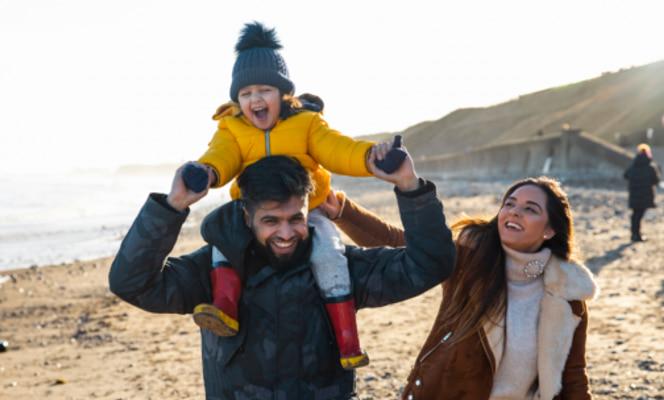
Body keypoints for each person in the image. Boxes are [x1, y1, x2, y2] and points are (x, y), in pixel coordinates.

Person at [109, 154, 455, 398]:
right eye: (271, 221)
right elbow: (132, 284)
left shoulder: (340, 268)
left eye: (296, 219)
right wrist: (172, 207)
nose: (287, 234)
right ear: (247, 216)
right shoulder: (210, 271)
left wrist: (410, 187)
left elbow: (430, 265)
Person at [182, 21, 394, 369]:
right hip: (253, 211)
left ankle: (347, 340)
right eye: (246, 93)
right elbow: (220, 155)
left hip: (305, 210)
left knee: (329, 252)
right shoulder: (231, 128)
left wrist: (370, 157)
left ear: (283, 94)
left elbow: (337, 149)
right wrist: (206, 172)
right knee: (223, 236)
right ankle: (224, 307)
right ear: (237, 98)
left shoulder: (306, 123)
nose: (255, 99)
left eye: (264, 90)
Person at [329, 177, 599, 399]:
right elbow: (402, 245)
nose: (515, 211)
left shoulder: (567, 295)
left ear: (550, 230)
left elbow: (573, 377)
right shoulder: (469, 257)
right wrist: (342, 210)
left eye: (531, 209)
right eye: (510, 204)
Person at [623, 143, 660, 242]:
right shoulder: (650, 167)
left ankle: (634, 234)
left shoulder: (633, 166)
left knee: (635, 214)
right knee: (639, 215)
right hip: (645, 195)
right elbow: (656, 181)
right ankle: (637, 235)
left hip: (634, 194)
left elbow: (625, 175)